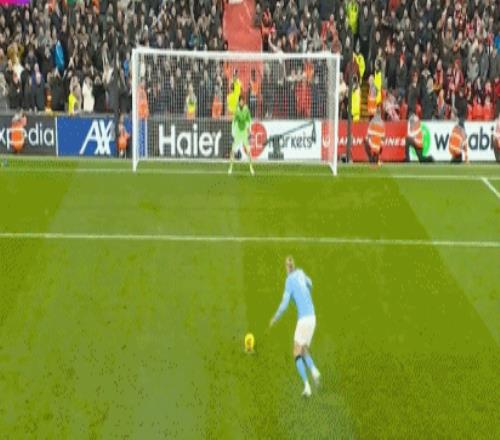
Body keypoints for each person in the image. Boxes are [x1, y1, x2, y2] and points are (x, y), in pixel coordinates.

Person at [269, 256, 320, 397]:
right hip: (312, 317)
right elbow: (311, 283)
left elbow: (284, 304)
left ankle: (307, 386)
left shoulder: (289, 281)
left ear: (287, 267)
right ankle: (314, 371)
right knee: (303, 348)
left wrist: (275, 318)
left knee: (296, 352)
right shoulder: (301, 273)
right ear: (294, 265)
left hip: (303, 320)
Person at [229, 95, 254, 176]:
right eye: (240, 101)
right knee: (233, 151)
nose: (241, 102)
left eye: (243, 101)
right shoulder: (236, 110)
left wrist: (249, 129)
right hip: (238, 132)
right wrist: (233, 132)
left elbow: (249, 120)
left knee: (248, 151)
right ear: (239, 102)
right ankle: (230, 167)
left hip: (244, 133)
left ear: (244, 102)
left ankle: (251, 167)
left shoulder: (246, 110)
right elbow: (234, 121)